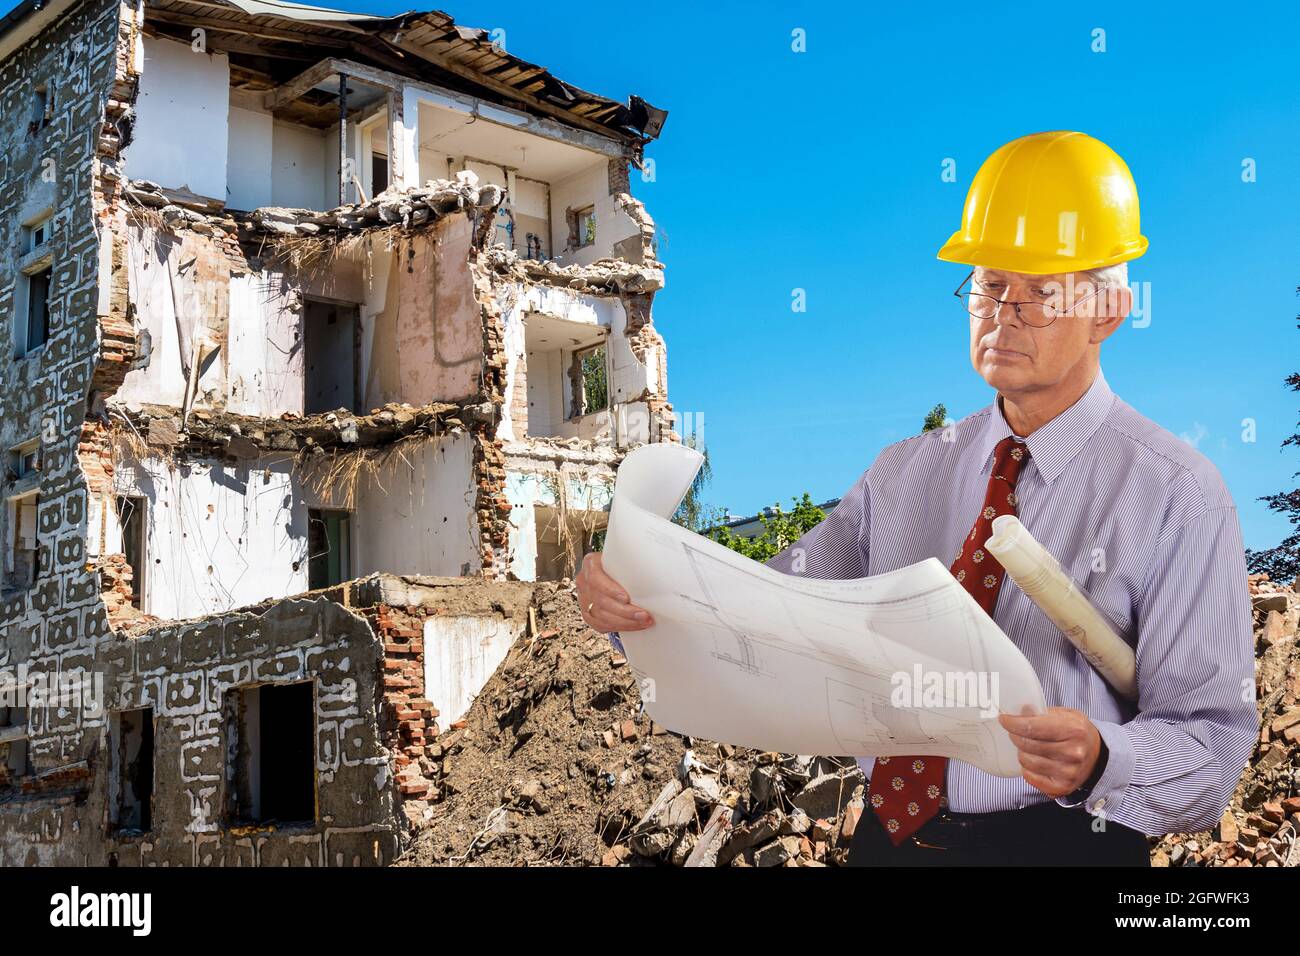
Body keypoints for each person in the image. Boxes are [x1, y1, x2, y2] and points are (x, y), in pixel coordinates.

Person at [575, 131, 1258, 866]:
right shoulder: (903, 475)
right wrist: (638, 601)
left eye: (1039, 293)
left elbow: (1210, 748)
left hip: (1064, 845)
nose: (1003, 315)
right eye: (991, 285)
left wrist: (1103, 760)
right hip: (892, 841)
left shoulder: (1176, 493)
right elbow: (766, 612)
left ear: (1110, 311)